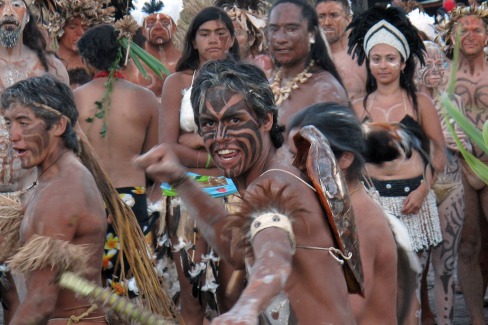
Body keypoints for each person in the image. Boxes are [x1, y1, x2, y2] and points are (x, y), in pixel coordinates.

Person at [135, 59, 359, 324]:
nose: (220, 137)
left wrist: (248, 306)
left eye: (234, 120)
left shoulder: (272, 185)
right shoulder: (281, 166)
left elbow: (272, 255)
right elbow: (236, 250)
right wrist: (180, 180)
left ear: (266, 120)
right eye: (208, 124)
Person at [348, 5, 447, 322]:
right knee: (377, 292)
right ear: (368, 61)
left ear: (403, 61)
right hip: (372, 207)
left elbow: (439, 154)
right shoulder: (358, 107)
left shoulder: (421, 103)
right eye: (376, 59)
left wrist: (422, 191)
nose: (382, 66)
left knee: (409, 293)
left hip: (413, 204)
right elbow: (347, 160)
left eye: (390, 58)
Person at [1, 75, 108, 324]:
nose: (13, 135)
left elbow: (40, 302)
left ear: (58, 126)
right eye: (9, 123)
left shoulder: (61, 193)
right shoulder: (46, 179)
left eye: (24, 122)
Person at [158, 6, 240, 324]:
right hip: (186, 195)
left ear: (232, 39)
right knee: (192, 295)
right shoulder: (176, 82)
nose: (213, 40)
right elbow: (168, 147)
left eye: (221, 33)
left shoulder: (244, 80)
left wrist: (193, 141)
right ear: (193, 41)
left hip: (234, 194)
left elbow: (253, 141)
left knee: (232, 297)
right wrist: (217, 156)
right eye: (205, 34)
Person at [287, 102, 398, 325]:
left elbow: (348, 310)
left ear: (345, 159)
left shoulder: (359, 216)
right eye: (290, 155)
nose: (293, 166)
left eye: (304, 157)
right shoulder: (337, 206)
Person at [75, 23, 160, 295]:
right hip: (132, 201)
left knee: (87, 288)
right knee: (129, 288)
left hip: (86, 199)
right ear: (124, 55)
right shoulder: (146, 99)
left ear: (86, 60)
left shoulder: (73, 99)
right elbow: (152, 158)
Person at [0, 1, 68, 321]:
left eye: (16, 3)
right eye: (0, 4)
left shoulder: (49, 67)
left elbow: (69, 130)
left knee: (32, 284)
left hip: (34, 190)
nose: (8, 13)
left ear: (28, 13)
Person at [442, 4, 488, 324]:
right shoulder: (442, 75)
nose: (470, 35)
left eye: (477, 29)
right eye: (463, 29)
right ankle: (475, 319)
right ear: (452, 34)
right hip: (458, 165)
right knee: (468, 244)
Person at [415, 40, 467, 325]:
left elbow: (467, 143)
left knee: (447, 265)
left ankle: (445, 321)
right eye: (427, 64)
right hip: (420, 189)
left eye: (440, 64)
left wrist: (458, 141)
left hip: (452, 185)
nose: (434, 70)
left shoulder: (453, 101)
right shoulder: (407, 102)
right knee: (416, 266)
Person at [267, 0, 349, 129]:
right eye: (274, 29)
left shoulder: (325, 90)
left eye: (291, 29)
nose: (280, 39)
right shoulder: (268, 84)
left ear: (311, 34)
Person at [127, 0, 182, 97]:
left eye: (164, 22)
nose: (158, 27)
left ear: (174, 28)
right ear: (143, 30)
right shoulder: (131, 68)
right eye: (151, 22)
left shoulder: (187, 63)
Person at [315, 0, 367, 101]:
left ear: (348, 19)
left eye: (334, 15)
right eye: (321, 17)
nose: (327, 23)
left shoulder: (363, 56)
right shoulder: (306, 58)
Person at [47, 0, 114, 71]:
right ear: (59, 29)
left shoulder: (94, 66)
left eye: (86, 28)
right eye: (72, 27)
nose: (80, 32)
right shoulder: (47, 62)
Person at [216, 0, 273, 77]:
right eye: (223, 33)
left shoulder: (261, 72)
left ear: (251, 39)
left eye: (237, 33)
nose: (230, 39)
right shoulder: (210, 70)